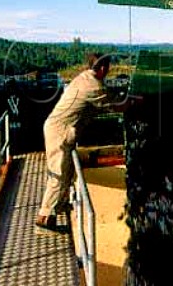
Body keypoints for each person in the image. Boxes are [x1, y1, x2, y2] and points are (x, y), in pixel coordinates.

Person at [36, 52, 137, 230]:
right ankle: (44, 216)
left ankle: (56, 209)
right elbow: (117, 106)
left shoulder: (84, 77)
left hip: (59, 129)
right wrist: (137, 101)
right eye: (108, 68)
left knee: (66, 172)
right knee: (58, 174)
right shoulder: (92, 86)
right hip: (59, 132)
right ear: (103, 68)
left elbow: (107, 95)